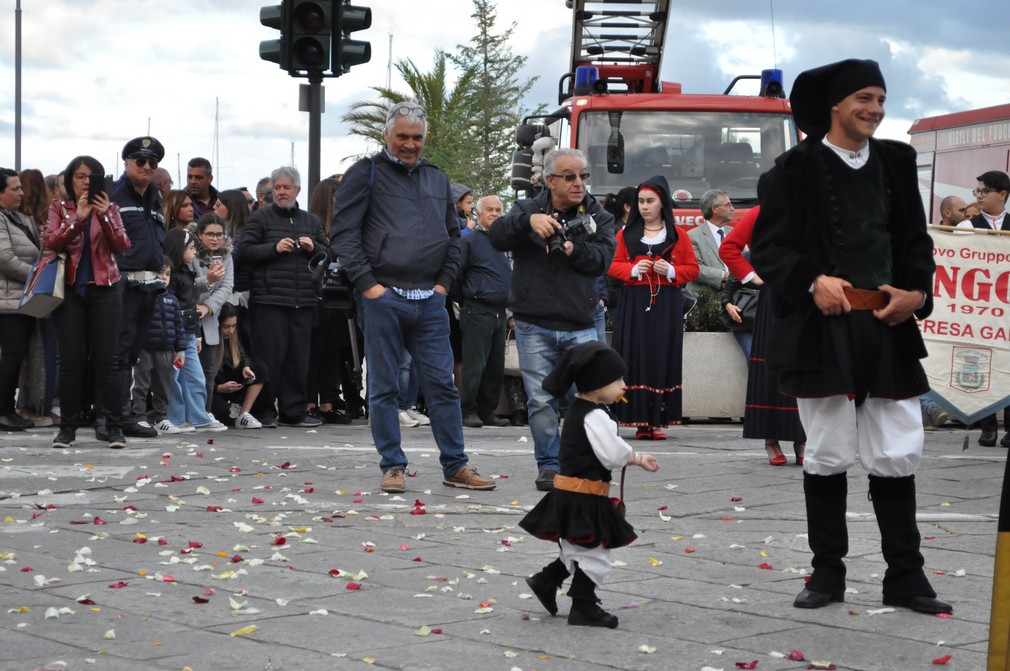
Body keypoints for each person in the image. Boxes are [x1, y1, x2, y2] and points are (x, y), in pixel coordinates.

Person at [750, 58, 951, 615]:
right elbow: (769, 249)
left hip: (886, 325)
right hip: (822, 330)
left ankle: (906, 578)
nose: (875, 109)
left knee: (897, 447)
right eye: (865, 98)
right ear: (836, 105)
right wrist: (812, 281)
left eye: (882, 100)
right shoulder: (792, 169)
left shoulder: (896, 160)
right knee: (829, 449)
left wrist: (918, 293)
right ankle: (827, 573)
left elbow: (915, 239)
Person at [331, 101, 495, 493]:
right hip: (383, 296)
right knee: (385, 387)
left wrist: (442, 284)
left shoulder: (438, 179)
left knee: (442, 386)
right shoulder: (364, 173)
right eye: (402, 136)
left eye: (416, 138)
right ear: (387, 135)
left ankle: (456, 465)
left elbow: (454, 236)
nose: (409, 144)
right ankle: (393, 466)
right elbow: (343, 233)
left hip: (429, 299)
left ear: (426, 139)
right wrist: (370, 286)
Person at [489, 147, 616, 491]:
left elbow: (604, 259)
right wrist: (527, 222)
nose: (579, 184)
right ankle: (548, 464)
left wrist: (575, 249)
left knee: (590, 399)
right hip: (535, 323)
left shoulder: (597, 215)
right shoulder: (528, 209)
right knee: (541, 401)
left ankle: (587, 462)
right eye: (570, 176)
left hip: (582, 322)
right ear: (550, 180)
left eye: (583, 176)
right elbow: (498, 235)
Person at [519, 341, 659, 628]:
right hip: (585, 498)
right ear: (596, 384)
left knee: (576, 548)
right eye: (617, 380)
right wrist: (637, 457)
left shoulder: (579, 410)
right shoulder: (594, 415)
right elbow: (612, 454)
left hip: (569, 494)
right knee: (595, 553)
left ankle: (546, 581)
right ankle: (583, 607)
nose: (624, 385)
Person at [45, 156, 131, 448]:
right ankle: (67, 428)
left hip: (105, 290)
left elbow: (122, 246)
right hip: (69, 292)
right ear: (70, 180)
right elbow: (51, 241)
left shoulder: (112, 208)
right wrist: (77, 219)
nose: (85, 182)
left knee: (109, 362)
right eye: (80, 176)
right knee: (70, 362)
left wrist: (104, 216)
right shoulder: (60, 208)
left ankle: (114, 427)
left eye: (91, 177)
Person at [607, 176, 698, 440]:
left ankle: (656, 422)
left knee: (661, 354)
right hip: (634, 302)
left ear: (662, 204)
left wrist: (670, 270)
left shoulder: (677, 235)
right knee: (634, 354)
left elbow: (692, 268)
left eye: (650, 201)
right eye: (641, 202)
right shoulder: (626, 234)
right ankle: (636, 419)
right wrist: (633, 269)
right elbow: (611, 266)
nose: (644, 207)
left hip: (666, 303)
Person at [241, 166, 328, 429]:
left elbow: (328, 254)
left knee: (298, 359)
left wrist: (315, 248)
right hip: (270, 301)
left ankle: (294, 411)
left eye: (286, 188)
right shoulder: (260, 218)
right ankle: (264, 411)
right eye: (277, 188)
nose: (281, 192)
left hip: (303, 301)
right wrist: (274, 248)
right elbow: (246, 252)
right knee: (269, 358)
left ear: (297, 191)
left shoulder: (310, 221)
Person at [720, 206, 807, 466]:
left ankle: (802, 438)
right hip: (773, 300)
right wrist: (752, 277)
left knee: (801, 369)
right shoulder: (762, 211)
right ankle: (771, 440)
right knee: (771, 368)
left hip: (806, 299)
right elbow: (729, 248)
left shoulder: (815, 207)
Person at [109, 136, 167, 440]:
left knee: (132, 354)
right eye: (140, 161)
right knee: (117, 353)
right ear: (127, 163)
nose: (147, 167)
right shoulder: (114, 195)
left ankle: (124, 414)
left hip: (148, 286)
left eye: (152, 163)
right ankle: (111, 418)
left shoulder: (155, 197)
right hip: (122, 284)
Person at [959, 171, 1010, 445]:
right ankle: (986, 426)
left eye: (983, 191)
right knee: (981, 364)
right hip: (978, 307)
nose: (978, 196)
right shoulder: (967, 227)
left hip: (1008, 308)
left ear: (1002, 194)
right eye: (976, 191)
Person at [162, 228, 227, 433]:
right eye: (190, 248)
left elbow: (191, 305)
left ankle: (197, 416)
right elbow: (172, 307)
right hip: (174, 334)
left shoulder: (188, 272)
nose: (194, 253)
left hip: (188, 332)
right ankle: (177, 417)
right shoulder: (171, 276)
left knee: (194, 377)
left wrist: (196, 333)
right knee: (175, 379)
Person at [458, 195, 511, 428]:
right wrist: (468, 298)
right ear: (478, 214)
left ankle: (487, 410)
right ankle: (467, 410)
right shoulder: (469, 241)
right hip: (477, 309)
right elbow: (456, 275)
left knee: (495, 366)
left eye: (498, 209)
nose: (495, 213)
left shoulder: (505, 242)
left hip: (500, 311)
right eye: (489, 209)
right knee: (475, 365)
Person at [305, 177, 352, 424]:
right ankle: (311, 401)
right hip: (318, 295)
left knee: (332, 350)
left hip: (337, 295)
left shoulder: (340, 228)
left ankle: (327, 402)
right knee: (316, 349)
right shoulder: (315, 227)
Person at [0, 168, 41, 431]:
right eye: (14, 188)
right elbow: (4, 258)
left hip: (19, 299)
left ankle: (8, 409)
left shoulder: (17, 218)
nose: (21, 192)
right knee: (12, 355)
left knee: (16, 355)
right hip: (7, 301)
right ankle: (2, 411)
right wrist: (36, 277)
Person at [135, 257, 186, 431]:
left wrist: (181, 350)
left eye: (167, 274)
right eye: (159, 273)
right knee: (141, 385)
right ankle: (138, 416)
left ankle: (160, 417)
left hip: (166, 350)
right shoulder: (142, 296)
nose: (164, 277)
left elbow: (179, 326)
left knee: (163, 386)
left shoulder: (172, 299)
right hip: (144, 349)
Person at [191, 213, 233, 412]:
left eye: (220, 234)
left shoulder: (226, 256)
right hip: (188, 318)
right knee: (188, 374)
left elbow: (227, 287)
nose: (216, 238)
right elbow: (183, 285)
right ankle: (185, 415)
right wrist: (207, 280)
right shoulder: (190, 252)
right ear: (200, 234)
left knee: (208, 373)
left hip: (209, 320)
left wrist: (208, 307)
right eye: (210, 234)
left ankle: (205, 414)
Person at [211, 302, 267, 429]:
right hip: (212, 388)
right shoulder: (209, 342)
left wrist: (246, 368)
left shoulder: (234, 337)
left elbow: (243, 356)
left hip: (228, 379)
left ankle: (244, 413)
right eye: (226, 326)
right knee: (225, 415)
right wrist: (217, 388)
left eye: (233, 326)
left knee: (259, 368)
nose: (231, 331)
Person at [687, 189, 734, 295]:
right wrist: (725, 276)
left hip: (735, 299)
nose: (733, 209)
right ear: (715, 209)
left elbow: (747, 260)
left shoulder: (736, 233)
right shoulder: (692, 236)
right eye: (728, 205)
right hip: (705, 301)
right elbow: (694, 268)